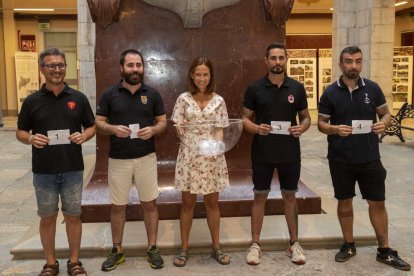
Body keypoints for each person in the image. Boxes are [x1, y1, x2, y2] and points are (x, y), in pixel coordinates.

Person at [317, 46, 411, 271]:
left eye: (358, 61)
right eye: (349, 61)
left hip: (369, 157)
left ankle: (385, 250)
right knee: (345, 201)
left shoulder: (373, 88)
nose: (354, 66)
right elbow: (321, 123)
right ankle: (348, 245)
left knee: (377, 202)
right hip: (340, 158)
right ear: (340, 64)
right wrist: (335, 129)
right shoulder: (330, 92)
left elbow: (386, 113)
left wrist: (385, 123)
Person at [16, 48, 95, 276]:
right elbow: (20, 131)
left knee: (73, 216)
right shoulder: (31, 101)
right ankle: (50, 263)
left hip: (72, 168)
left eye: (60, 65)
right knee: (48, 217)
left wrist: (84, 135)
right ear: (42, 69)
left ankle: (74, 261)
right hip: (44, 171)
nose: (57, 69)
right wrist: (30, 138)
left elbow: (90, 126)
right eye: (51, 65)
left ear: (65, 68)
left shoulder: (78, 99)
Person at [96, 49, 167, 271]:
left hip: (146, 157)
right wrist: (112, 128)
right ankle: (117, 250)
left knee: (150, 204)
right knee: (118, 206)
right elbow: (99, 122)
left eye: (138, 65)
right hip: (119, 160)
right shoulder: (110, 94)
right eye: (130, 65)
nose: (135, 69)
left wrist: (153, 130)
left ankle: (152, 247)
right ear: (122, 68)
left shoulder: (153, 94)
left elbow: (163, 121)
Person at [242, 43, 310, 265]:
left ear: (286, 59)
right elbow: (244, 119)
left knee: (289, 197)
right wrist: (256, 128)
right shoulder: (254, 88)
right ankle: (255, 245)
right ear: (266, 61)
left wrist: (303, 127)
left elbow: (306, 117)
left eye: (281, 58)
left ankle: (293, 244)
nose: (277, 62)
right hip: (262, 152)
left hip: (290, 152)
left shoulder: (297, 88)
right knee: (259, 196)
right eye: (273, 58)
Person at [171, 57, 231, 267]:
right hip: (189, 156)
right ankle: (184, 248)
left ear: (211, 76)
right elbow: (178, 127)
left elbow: (219, 129)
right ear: (191, 75)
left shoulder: (219, 101)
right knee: (187, 204)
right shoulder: (183, 99)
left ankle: (216, 247)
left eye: (205, 74)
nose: (202, 78)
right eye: (198, 74)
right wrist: (181, 126)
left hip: (211, 157)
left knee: (212, 204)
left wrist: (216, 147)